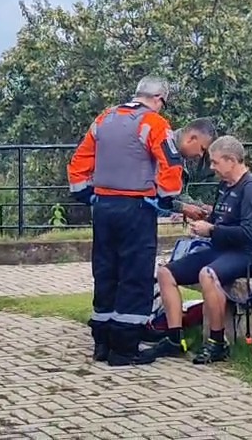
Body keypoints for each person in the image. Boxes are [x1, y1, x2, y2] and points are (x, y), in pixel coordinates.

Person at [66, 76, 215, 366]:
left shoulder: (104, 119)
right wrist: (166, 200)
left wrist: (89, 196)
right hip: (136, 209)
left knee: (106, 273)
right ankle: (124, 349)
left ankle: (102, 343)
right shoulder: (155, 124)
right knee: (135, 276)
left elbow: (79, 162)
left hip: (104, 209)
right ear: (159, 99)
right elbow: (170, 166)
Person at [142, 135, 252, 364]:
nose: (212, 167)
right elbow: (219, 219)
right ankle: (174, 338)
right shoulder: (225, 185)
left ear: (231, 160)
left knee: (207, 275)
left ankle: (217, 342)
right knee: (165, 272)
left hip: (247, 253)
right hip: (220, 248)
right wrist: (203, 221)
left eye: (215, 162)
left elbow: (248, 233)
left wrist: (211, 230)